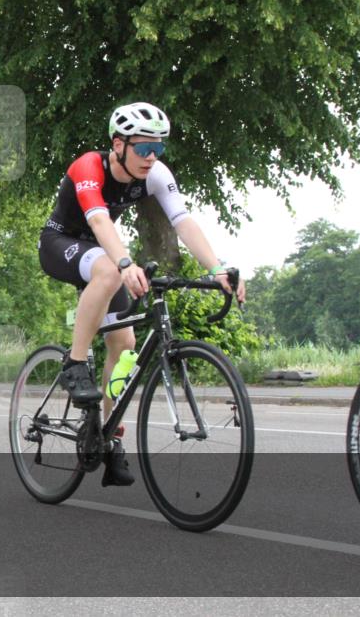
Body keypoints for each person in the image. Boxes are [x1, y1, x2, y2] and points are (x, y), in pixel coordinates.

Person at [38, 102, 246, 486]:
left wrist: (216, 268)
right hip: (60, 243)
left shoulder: (156, 174)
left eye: (159, 148)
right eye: (144, 148)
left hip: (101, 254)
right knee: (107, 269)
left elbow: (183, 221)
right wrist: (124, 263)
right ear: (118, 144)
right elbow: (98, 220)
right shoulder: (88, 166)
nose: (152, 157)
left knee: (125, 348)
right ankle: (74, 364)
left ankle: (107, 438)